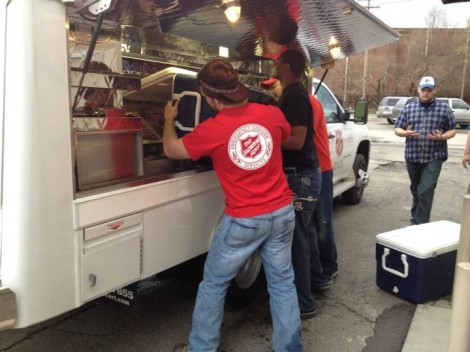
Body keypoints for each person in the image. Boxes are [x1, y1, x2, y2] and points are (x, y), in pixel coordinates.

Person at [163, 59, 302, 352]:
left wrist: (168, 118)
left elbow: (171, 149)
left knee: (213, 285)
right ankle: (289, 348)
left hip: (245, 220)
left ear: (211, 97)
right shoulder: (272, 114)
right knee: (282, 284)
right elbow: (284, 136)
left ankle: (202, 348)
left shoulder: (212, 130)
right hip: (282, 213)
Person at [262, 77, 338, 282]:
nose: (272, 90)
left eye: (274, 85)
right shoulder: (285, 104)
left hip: (317, 168)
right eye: (267, 87)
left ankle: (328, 268)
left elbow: (298, 137)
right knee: (308, 228)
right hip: (307, 169)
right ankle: (317, 275)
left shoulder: (306, 102)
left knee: (321, 224)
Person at [272, 49, 327, 320]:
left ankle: (304, 303)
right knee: (304, 234)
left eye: (277, 60)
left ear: (286, 65)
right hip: (304, 174)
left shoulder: (294, 95)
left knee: (297, 240)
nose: (273, 64)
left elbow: (296, 140)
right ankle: (315, 284)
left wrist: (266, 141)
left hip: (300, 177)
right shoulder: (292, 93)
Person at [394, 76, 456, 225]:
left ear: (435, 90)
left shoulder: (443, 108)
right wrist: (406, 133)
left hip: (434, 156)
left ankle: (420, 225)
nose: (426, 93)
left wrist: (442, 137)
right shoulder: (409, 108)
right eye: (423, 90)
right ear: (418, 90)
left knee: (425, 190)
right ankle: (416, 217)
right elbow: (397, 129)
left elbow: (453, 130)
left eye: (429, 90)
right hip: (412, 155)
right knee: (416, 189)